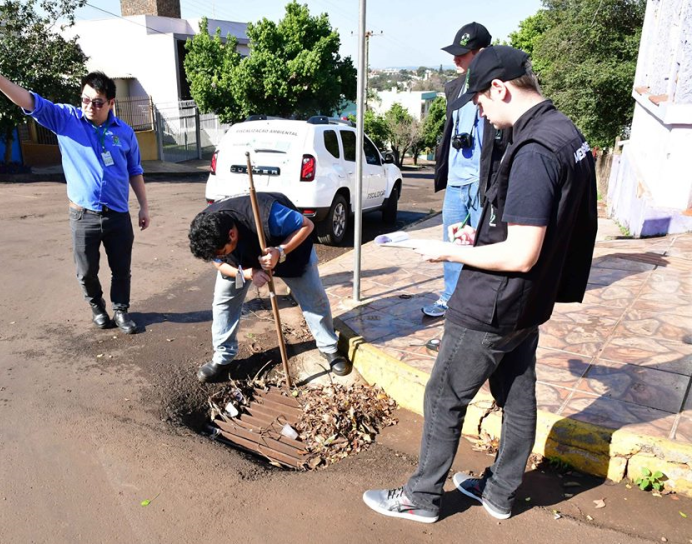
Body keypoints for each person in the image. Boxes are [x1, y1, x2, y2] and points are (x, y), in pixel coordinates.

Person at [363, 46, 598, 523]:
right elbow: (540, 225)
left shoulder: (535, 150)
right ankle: (499, 493)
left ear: (500, 88)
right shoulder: (566, 132)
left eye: (481, 102)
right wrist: (484, 232)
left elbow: (522, 251)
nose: (482, 114)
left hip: (492, 303)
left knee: (444, 396)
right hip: (528, 302)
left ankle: (422, 497)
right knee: (516, 398)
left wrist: (451, 251)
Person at [0, 60, 150, 335]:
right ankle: (98, 308)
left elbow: (135, 170)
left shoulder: (124, 133)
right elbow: (30, 101)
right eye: (86, 99)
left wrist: (144, 206)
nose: (90, 106)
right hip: (83, 215)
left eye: (98, 102)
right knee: (86, 272)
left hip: (118, 215)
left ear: (111, 103)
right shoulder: (66, 119)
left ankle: (121, 310)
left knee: (121, 268)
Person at [188, 192, 350, 383]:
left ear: (231, 235)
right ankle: (223, 357)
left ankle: (329, 348)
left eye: (221, 251)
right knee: (223, 303)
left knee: (313, 298)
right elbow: (218, 263)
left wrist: (279, 251)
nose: (219, 255)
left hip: (289, 249)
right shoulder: (207, 228)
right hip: (241, 262)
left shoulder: (270, 214)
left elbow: (308, 225)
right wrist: (249, 273)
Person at [421, 22, 511, 327]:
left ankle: (479, 302)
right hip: (457, 183)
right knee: (452, 243)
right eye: (455, 54)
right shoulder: (454, 88)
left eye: (464, 54)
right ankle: (450, 296)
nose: (456, 60)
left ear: (482, 53)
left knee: (483, 243)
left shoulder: (499, 86)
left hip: (484, 181)